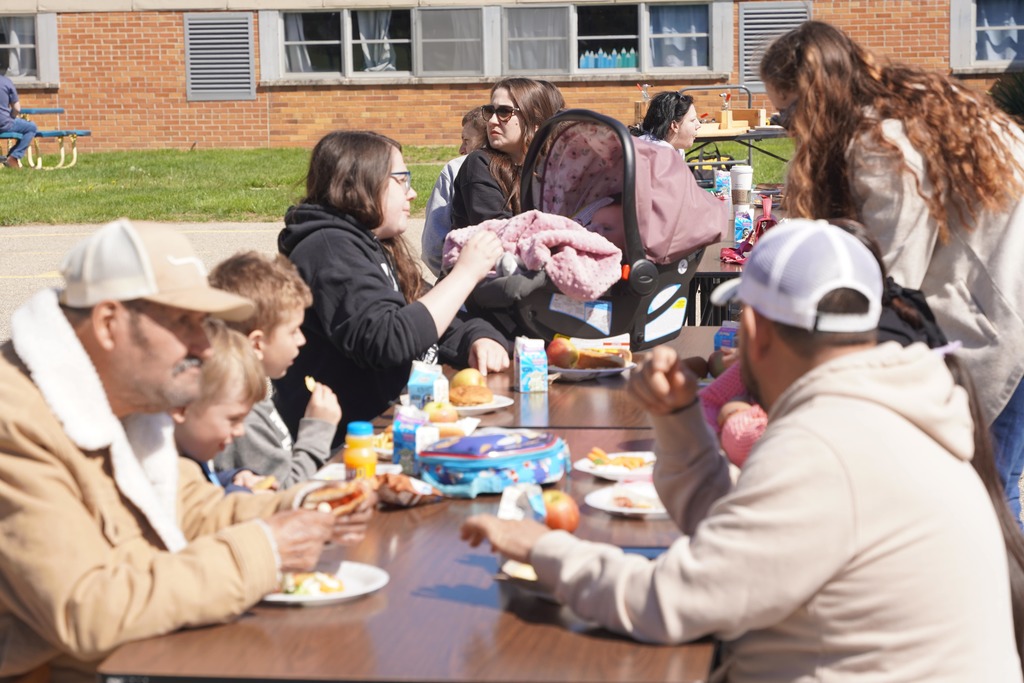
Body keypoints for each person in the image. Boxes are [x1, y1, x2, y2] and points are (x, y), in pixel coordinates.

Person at [461, 219, 1022, 681]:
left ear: (754, 329)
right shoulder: (886, 405)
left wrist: (543, 550)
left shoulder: (828, 442)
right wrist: (680, 421)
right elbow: (735, 547)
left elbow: (675, 602)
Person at [0, 219, 376, 681]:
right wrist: (266, 550)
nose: (204, 345)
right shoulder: (15, 421)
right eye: (184, 323)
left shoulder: (126, 396)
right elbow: (87, 609)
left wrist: (305, 505)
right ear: (108, 324)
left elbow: (189, 511)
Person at [759, 20, 1024, 525]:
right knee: (993, 484)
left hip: (1007, 316)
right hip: (1002, 299)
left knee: (986, 493)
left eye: (786, 113)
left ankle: (1000, 602)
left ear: (813, 99)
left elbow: (880, 280)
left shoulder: (881, 144)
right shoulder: (899, 109)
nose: (786, 128)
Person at [275, 131, 510, 447]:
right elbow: (388, 339)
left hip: (387, 433)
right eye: (402, 180)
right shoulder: (329, 250)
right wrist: (465, 274)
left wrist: (477, 337)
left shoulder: (373, 244)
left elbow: (426, 310)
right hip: (344, 449)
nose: (412, 193)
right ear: (362, 184)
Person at [208, 251, 341, 487]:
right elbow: (286, 491)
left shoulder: (251, 396)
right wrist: (319, 428)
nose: (302, 340)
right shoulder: (243, 418)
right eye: (293, 331)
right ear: (257, 343)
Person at [447, 78, 565, 235]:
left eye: (504, 112)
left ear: (535, 120)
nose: (492, 121)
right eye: (490, 111)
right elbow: (501, 233)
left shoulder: (556, 165)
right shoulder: (481, 163)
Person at [173, 319, 276, 494]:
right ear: (183, 408)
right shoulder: (164, 473)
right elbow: (204, 511)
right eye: (233, 419)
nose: (240, 431)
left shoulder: (193, 452)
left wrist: (235, 476)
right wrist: (243, 494)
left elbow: (208, 478)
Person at [422, 107, 489, 277]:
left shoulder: (456, 168)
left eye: (466, 140)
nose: (461, 149)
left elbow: (433, 248)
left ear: (488, 137)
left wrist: (455, 281)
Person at [630, 90, 701, 152]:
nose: (698, 125)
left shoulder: (675, 150)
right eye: (692, 120)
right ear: (674, 126)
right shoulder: (659, 152)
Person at [0, 73, 37, 169]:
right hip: (3, 123)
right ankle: (13, 157)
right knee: (31, 127)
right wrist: (12, 117)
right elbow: (17, 109)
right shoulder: (6, 82)